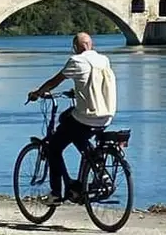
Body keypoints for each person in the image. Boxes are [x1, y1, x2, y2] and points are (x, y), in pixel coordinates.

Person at [26, 32, 116, 205]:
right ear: (92, 44)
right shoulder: (104, 60)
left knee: (55, 145)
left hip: (88, 116)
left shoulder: (76, 61)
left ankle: (56, 193)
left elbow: (55, 81)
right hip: (107, 115)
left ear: (75, 47)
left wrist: (38, 93)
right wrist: (77, 92)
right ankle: (98, 168)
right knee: (73, 127)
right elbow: (93, 82)